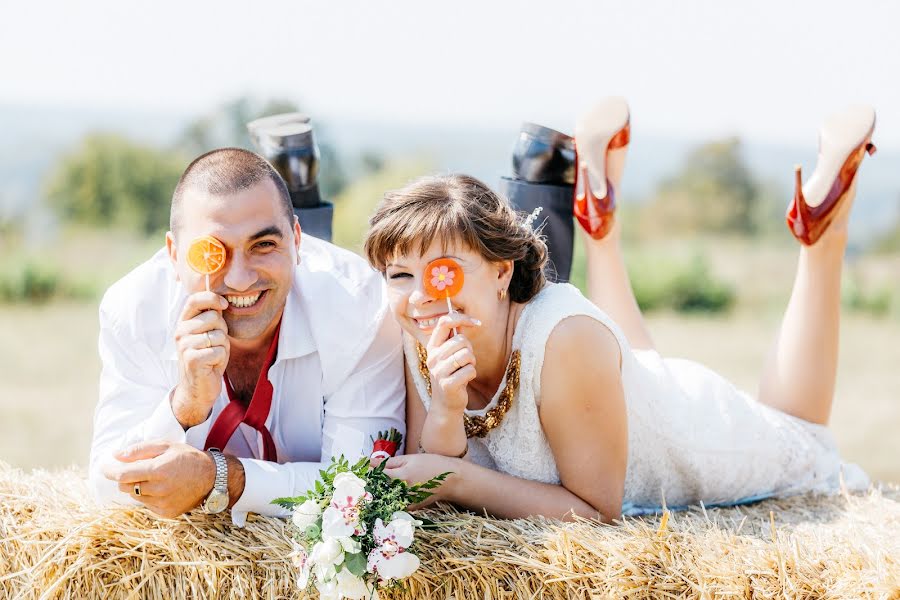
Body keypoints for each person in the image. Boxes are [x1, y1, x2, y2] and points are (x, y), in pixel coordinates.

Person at [362, 100, 875, 522]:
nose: (421, 296)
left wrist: (453, 478)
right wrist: (448, 411)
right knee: (633, 360)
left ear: (501, 273)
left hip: (697, 434)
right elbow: (432, 477)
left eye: (441, 271)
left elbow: (594, 511)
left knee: (804, 436)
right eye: (399, 274)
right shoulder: (416, 333)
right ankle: (601, 232)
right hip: (625, 380)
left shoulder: (564, 340)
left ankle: (820, 237)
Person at [89, 148, 405, 525]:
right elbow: (107, 486)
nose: (240, 279)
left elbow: (363, 490)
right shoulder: (134, 309)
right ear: (174, 255)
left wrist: (221, 478)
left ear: (297, 241)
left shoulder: (362, 306)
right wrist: (186, 405)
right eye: (212, 253)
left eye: (264, 245)